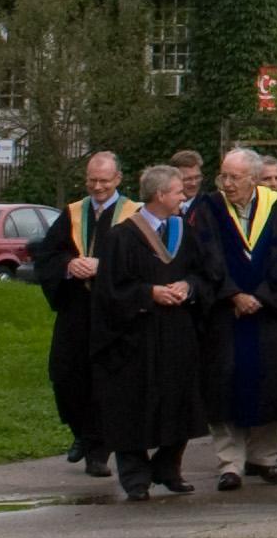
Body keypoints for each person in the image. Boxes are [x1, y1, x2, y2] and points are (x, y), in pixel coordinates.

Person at [92, 160, 219, 500]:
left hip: (177, 334)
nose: (183, 197)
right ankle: (135, 477)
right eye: (178, 192)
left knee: (180, 403)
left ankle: (168, 467)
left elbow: (206, 273)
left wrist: (188, 286)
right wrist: (149, 293)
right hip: (136, 338)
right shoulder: (122, 236)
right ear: (160, 194)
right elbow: (109, 290)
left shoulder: (184, 232)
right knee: (132, 406)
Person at [188, 144, 277, 490]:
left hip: (266, 315)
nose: (227, 183)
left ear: (253, 178)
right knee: (224, 385)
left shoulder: (275, 207)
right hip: (225, 314)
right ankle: (230, 463)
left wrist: (262, 297)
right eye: (223, 176)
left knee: (268, 383)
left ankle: (264, 458)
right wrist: (233, 294)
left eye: (235, 177)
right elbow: (205, 258)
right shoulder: (208, 208)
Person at [39, 151, 127, 477]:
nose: (98, 187)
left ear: (118, 179)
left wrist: (103, 267)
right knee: (66, 377)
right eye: (92, 180)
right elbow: (47, 255)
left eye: (104, 181)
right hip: (76, 311)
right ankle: (81, 432)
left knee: (105, 382)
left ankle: (97, 450)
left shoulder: (132, 215)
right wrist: (68, 265)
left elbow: (142, 261)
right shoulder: (73, 213)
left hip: (114, 314)